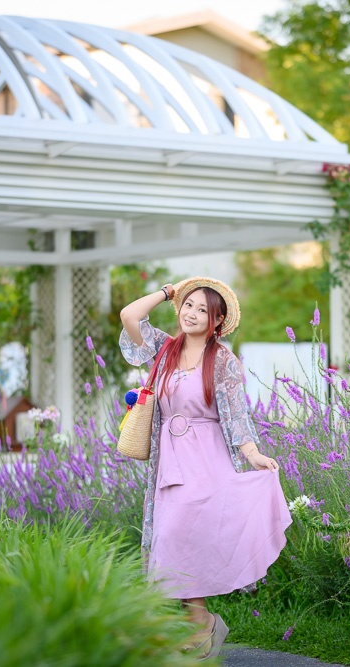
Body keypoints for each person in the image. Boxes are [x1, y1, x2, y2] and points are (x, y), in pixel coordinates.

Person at [119, 276, 293, 660]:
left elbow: (236, 415)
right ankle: (201, 624)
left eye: (203, 310)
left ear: (217, 322)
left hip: (207, 457)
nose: (193, 314)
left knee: (187, 535)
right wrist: (168, 291)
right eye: (188, 305)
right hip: (171, 461)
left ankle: (199, 626)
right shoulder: (163, 349)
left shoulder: (224, 361)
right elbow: (130, 315)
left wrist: (252, 454)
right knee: (172, 539)